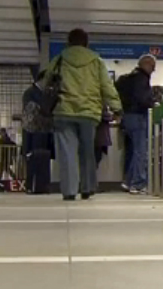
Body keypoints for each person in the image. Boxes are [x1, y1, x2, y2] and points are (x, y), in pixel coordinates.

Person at [45, 29, 121, 201]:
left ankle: (69, 191)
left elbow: (46, 82)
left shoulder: (59, 59)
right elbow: (106, 86)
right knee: (87, 152)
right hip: (88, 113)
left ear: (68, 42)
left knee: (67, 153)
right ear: (87, 43)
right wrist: (116, 107)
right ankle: (87, 188)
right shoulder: (96, 61)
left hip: (63, 111)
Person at [115, 54, 156, 194]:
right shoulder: (141, 78)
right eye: (153, 66)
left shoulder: (127, 78)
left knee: (132, 151)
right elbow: (142, 98)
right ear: (146, 65)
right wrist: (153, 103)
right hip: (138, 116)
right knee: (140, 151)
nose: (154, 70)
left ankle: (128, 181)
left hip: (127, 117)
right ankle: (138, 183)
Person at [21, 70, 54, 194]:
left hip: (44, 131)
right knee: (33, 158)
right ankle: (32, 185)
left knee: (44, 158)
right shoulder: (29, 93)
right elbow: (30, 112)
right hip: (33, 131)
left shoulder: (45, 93)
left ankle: (43, 185)